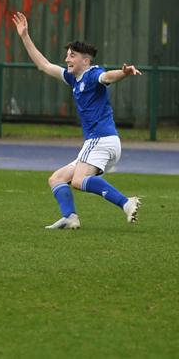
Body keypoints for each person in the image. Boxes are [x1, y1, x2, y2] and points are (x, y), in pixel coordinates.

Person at [11, 12, 141, 230]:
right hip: (102, 142)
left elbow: (108, 77)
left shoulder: (92, 75)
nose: (67, 59)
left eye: (71, 56)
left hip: (100, 140)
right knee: (57, 179)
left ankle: (127, 203)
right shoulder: (74, 78)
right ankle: (70, 217)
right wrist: (25, 36)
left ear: (85, 61)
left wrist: (124, 73)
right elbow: (44, 65)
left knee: (79, 181)